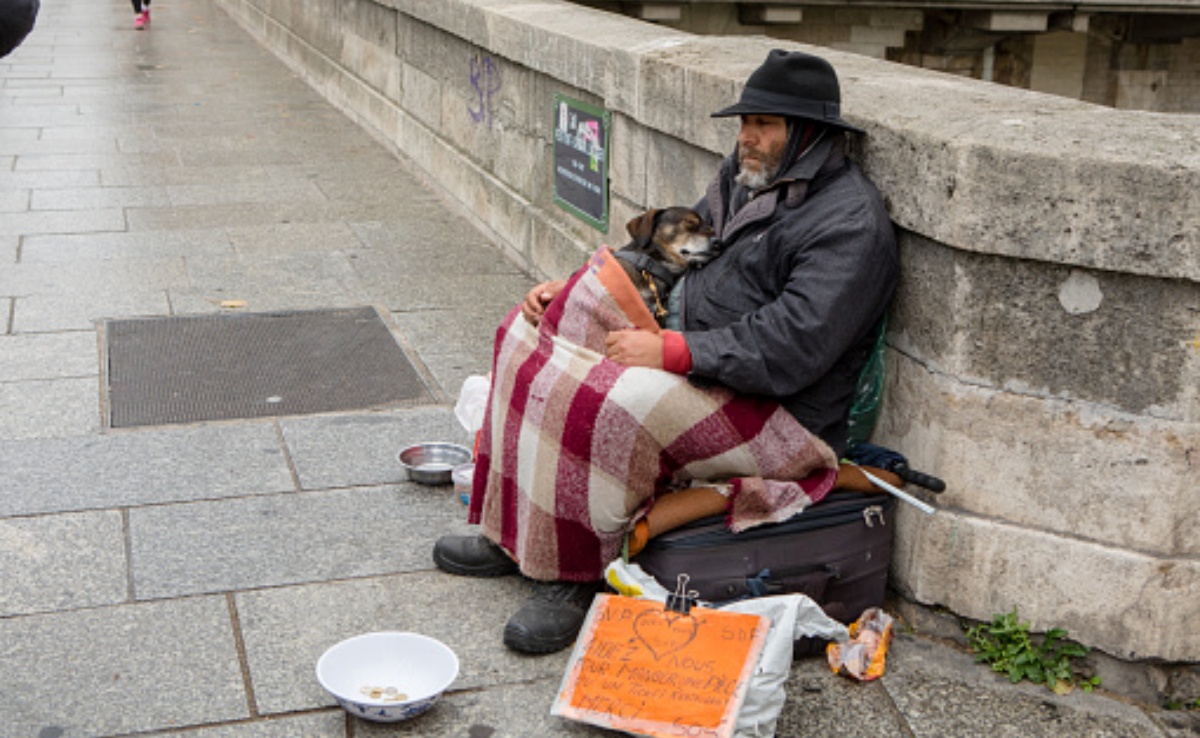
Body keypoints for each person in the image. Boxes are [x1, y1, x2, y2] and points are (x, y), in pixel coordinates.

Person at [433, 49, 899, 655]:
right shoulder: (747, 178)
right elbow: (675, 247)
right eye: (744, 123)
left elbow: (794, 346)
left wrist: (674, 352)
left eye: (764, 126)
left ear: (809, 134)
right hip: (702, 361)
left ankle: (578, 571)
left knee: (612, 402)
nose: (746, 139)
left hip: (782, 416)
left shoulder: (850, 223)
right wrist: (571, 288)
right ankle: (513, 533)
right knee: (525, 337)